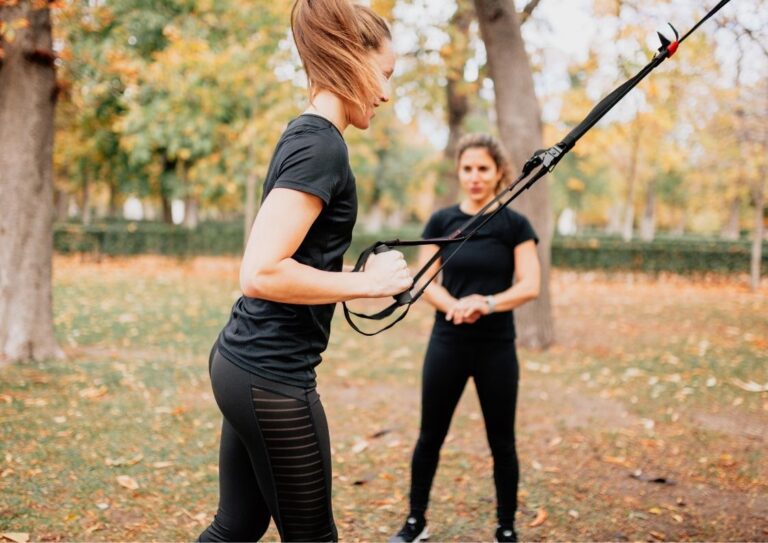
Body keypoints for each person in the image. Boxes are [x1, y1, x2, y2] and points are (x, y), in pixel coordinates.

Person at [198, 2, 412, 541]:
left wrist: (357, 271)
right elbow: (262, 272)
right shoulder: (321, 146)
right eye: (384, 75)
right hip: (270, 374)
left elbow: (295, 255)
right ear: (349, 59)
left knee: (238, 525)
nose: (385, 94)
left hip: (247, 362)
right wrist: (367, 284)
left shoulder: (308, 136)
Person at [389, 134, 541, 543]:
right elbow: (423, 281)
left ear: (498, 173)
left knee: (502, 442)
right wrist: (453, 304)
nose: (474, 177)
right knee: (429, 437)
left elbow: (530, 285)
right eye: (468, 168)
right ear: (459, 172)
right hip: (447, 344)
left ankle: (506, 527)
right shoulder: (441, 221)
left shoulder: (515, 225)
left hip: (496, 348)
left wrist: (486, 302)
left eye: (483, 169)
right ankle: (415, 522)